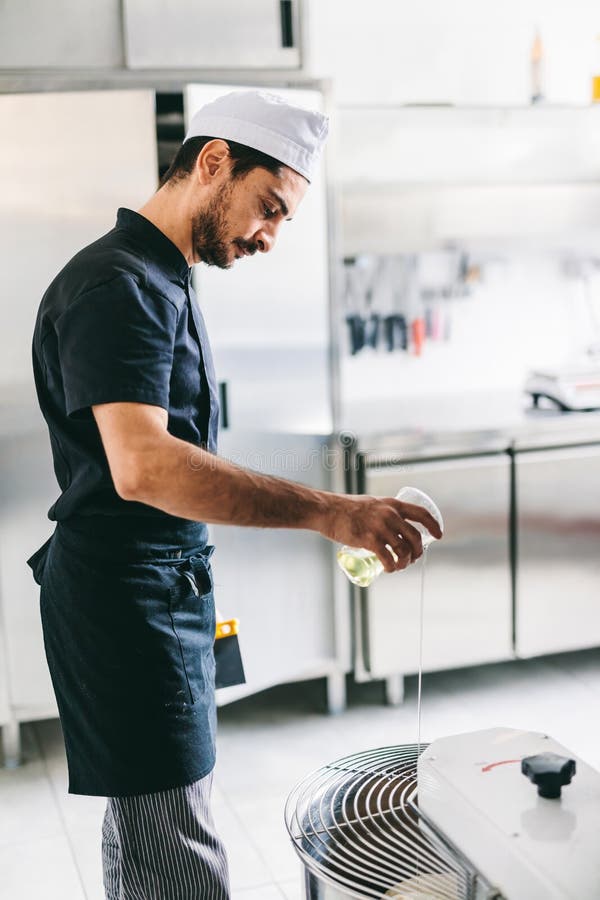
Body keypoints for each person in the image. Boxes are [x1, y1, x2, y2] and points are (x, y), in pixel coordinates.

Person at [26, 90, 442, 900]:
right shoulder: (121, 286)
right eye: (270, 208)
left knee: (156, 835)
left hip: (157, 595)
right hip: (127, 606)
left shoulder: (159, 274)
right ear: (214, 162)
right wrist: (334, 511)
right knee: (177, 858)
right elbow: (144, 467)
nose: (270, 236)